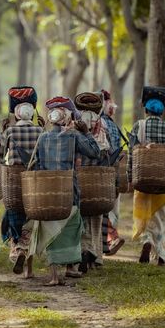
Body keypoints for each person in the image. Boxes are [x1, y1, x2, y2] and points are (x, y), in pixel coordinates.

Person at [26, 97, 100, 285]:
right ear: (67, 117)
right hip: (69, 191)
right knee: (70, 229)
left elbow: (40, 165)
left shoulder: (43, 137)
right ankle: (70, 267)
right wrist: (86, 133)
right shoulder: (74, 136)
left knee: (51, 231)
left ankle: (53, 275)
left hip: (47, 192)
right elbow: (95, 153)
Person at [128, 87, 165, 265]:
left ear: (146, 110)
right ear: (162, 111)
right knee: (162, 216)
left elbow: (132, 152)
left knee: (144, 213)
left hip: (144, 177)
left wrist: (130, 177)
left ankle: (146, 240)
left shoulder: (139, 125)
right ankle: (161, 253)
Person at [0, 86, 43, 277]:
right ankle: (29, 269)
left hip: (13, 184)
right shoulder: (40, 131)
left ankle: (18, 251)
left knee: (14, 218)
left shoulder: (10, 132)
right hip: (35, 184)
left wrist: (4, 131)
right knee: (31, 222)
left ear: (16, 114)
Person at [74, 92, 113, 273]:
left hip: (79, 175)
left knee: (80, 214)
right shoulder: (102, 123)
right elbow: (108, 148)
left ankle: (81, 252)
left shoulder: (75, 122)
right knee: (96, 216)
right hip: (97, 177)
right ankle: (93, 254)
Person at [99, 89, 126, 256]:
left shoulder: (97, 123)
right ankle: (109, 240)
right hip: (114, 170)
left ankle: (108, 241)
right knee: (111, 208)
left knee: (102, 209)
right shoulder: (110, 124)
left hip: (100, 172)